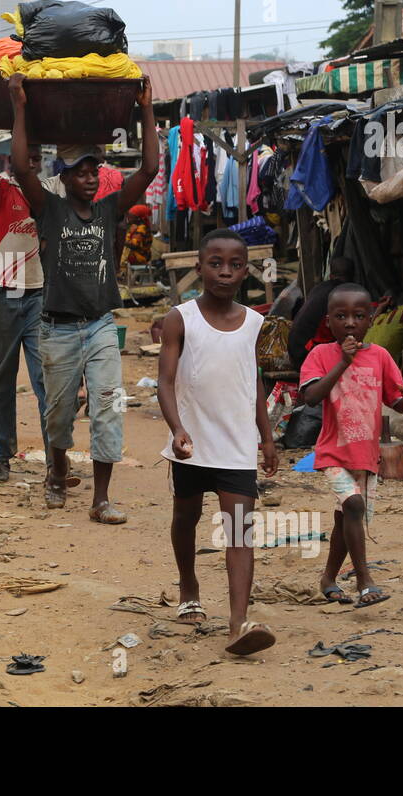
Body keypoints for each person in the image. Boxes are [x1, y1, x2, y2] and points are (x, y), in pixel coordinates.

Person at [7, 71, 159, 523]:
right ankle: (55, 474)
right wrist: (18, 103)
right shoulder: (49, 210)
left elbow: (148, 169)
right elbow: (20, 168)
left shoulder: (111, 209)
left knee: (110, 407)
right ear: (65, 178)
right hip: (56, 329)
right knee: (58, 413)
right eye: (82, 173)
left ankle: (101, 499)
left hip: (100, 328)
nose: (92, 179)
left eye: (96, 171)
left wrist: (147, 108)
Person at [157, 228, 279, 655]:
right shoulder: (180, 318)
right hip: (191, 445)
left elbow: (255, 383)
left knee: (240, 532)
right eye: (215, 264)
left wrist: (267, 438)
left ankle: (238, 623)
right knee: (186, 517)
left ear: (246, 270)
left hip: (236, 445)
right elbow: (165, 381)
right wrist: (177, 429)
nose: (225, 272)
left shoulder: (256, 323)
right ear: (199, 267)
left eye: (235, 265)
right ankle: (188, 584)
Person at [299, 283, 403, 609]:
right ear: (328, 321)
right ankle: (365, 581)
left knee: (345, 519)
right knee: (353, 506)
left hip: (365, 455)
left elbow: (396, 398)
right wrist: (343, 363)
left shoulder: (380, 357)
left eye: (358, 316)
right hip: (333, 452)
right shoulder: (320, 355)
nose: (350, 323)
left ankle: (328, 579)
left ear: (370, 320)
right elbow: (310, 396)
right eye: (341, 316)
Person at [0, 65, 48, 484]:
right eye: (24, 157)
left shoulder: (52, 192)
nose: (29, 163)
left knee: (44, 382)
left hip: (39, 298)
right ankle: (3, 456)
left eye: (36, 158)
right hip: (3, 296)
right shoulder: (0, 189)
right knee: (2, 381)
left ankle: (56, 464)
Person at [286, 256, 354, 371]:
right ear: (353, 277)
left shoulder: (319, 288)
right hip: (305, 356)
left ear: (331, 275)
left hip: (294, 352)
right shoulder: (341, 295)